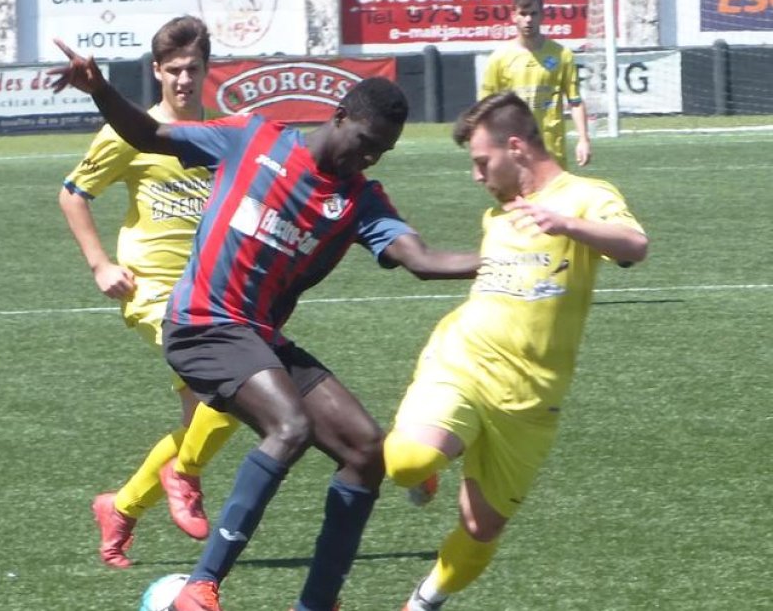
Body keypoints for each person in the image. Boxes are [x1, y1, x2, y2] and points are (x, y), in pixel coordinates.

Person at [50, 41, 481, 611]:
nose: (369, 159)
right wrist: (100, 88)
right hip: (201, 323)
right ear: (340, 117)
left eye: (382, 152)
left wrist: (506, 258)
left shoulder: (360, 201)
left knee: (367, 451)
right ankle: (202, 586)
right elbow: (150, 137)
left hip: (258, 338)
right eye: (365, 143)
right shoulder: (253, 139)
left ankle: (316, 603)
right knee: (290, 426)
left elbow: (421, 260)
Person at [385, 92, 648, 610]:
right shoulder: (496, 215)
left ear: (516, 148)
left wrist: (568, 225)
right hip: (464, 362)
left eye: (482, 162)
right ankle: (433, 459)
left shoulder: (585, 195)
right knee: (405, 462)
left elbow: (635, 245)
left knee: (480, 531)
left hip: (531, 400)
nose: (477, 176)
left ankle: (424, 600)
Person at [58, 16, 242, 568]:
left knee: (204, 418)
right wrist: (99, 265)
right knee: (231, 393)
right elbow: (73, 194)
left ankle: (122, 506)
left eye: (194, 70)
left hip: (211, 293)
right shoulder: (130, 131)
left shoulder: (222, 135)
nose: (184, 81)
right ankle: (182, 477)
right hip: (153, 290)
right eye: (174, 71)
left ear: (207, 71)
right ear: (157, 72)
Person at [479, 0, 591, 169]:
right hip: (515, 151)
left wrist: (584, 140)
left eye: (533, 13)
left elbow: (575, 101)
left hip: (552, 149)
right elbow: (485, 107)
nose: (528, 19)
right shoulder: (499, 58)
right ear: (513, 15)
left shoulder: (561, 55)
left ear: (542, 15)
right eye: (523, 13)